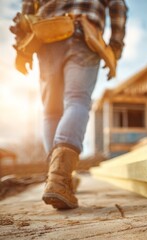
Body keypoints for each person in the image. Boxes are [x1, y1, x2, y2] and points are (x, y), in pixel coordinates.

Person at [10, 0, 127, 209]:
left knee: (50, 112)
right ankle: (60, 178)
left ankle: (58, 177)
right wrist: (115, 46)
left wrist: (22, 45)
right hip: (83, 34)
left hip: (46, 37)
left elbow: (28, 5)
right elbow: (118, 4)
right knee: (77, 100)